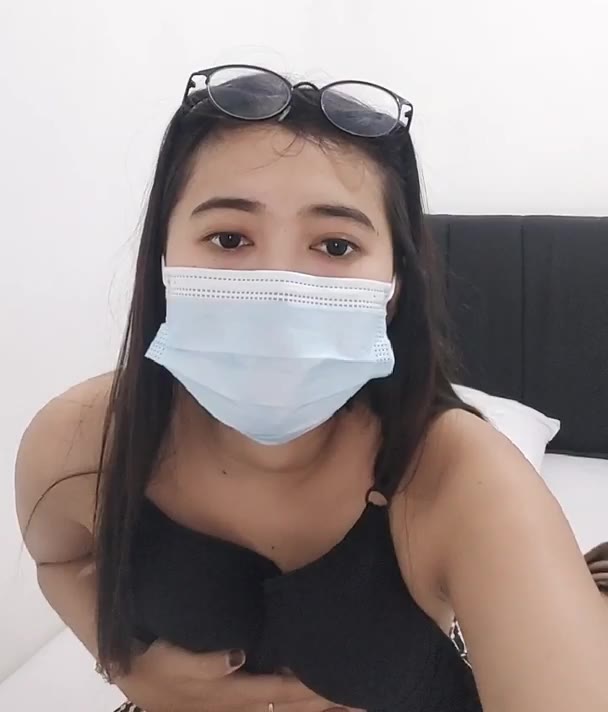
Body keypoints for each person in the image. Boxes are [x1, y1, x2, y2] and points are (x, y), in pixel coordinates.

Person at [15, 65, 608, 712]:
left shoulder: (465, 478)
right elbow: (59, 562)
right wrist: (124, 666)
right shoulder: (79, 440)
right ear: (163, 260)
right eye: (228, 238)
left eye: (335, 245)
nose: (278, 285)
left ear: (394, 286)